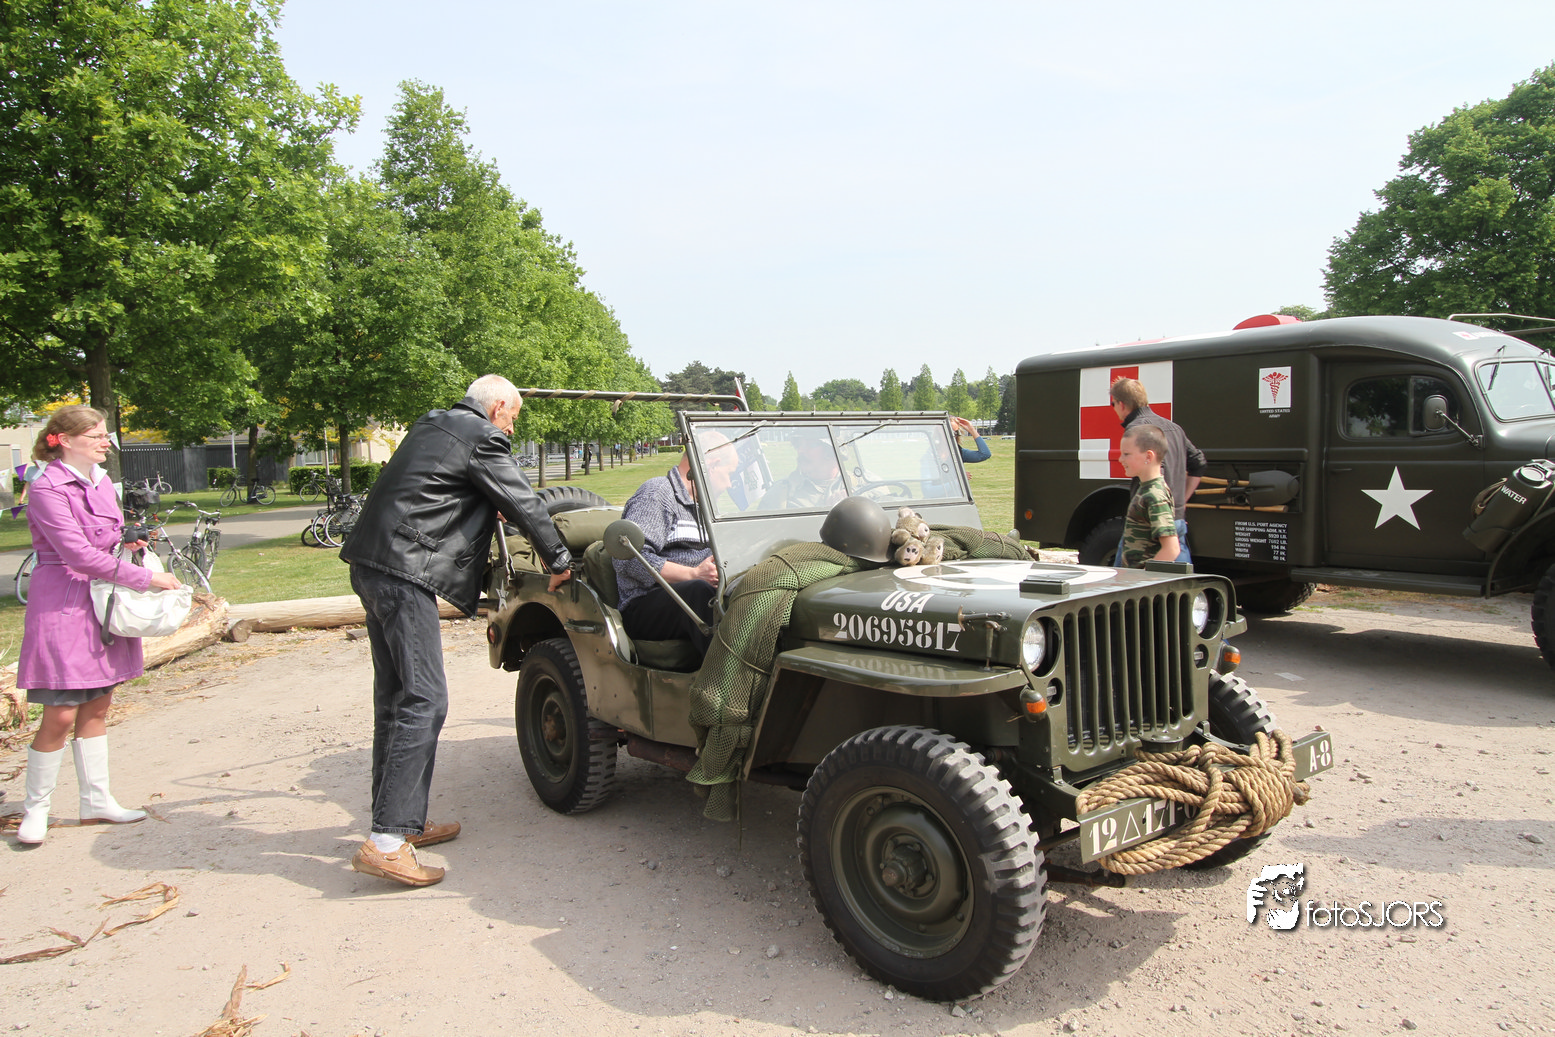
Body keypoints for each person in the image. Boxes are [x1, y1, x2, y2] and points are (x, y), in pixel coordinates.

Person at [339, 375, 574, 888]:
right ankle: (386, 843)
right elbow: (522, 499)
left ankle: (400, 823)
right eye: (513, 417)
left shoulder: (432, 425)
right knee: (425, 698)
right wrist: (557, 559)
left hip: (371, 563)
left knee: (395, 698)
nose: (512, 428)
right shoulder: (482, 436)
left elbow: (439, 492)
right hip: (402, 573)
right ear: (497, 407)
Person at [14, 406, 183, 846]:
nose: (105, 442)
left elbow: (104, 540)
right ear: (64, 440)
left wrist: (129, 538)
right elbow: (75, 554)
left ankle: (96, 801)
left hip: (103, 601)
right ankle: (37, 809)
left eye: (105, 435)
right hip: (64, 604)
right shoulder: (47, 487)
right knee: (60, 712)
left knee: (98, 705)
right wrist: (148, 579)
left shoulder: (102, 480)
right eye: (95, 435)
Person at [614, 432, 737, 656]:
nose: (729, 484)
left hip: (689, 598)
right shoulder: (657, 494)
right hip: (644, 603)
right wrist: (692, 574)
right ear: (712, 464)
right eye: (729, 474)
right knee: (699, 592)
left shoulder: (704, 505)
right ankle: (727, 675)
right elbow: (628, 559)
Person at [1109, 377, 1205, 564]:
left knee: (1125, 575)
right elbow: (1198, 463)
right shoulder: (1174, 428)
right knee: (1179, 578)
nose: (1122, 458)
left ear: (1121, 404)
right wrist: (1179, 502)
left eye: (1126, 454)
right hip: (1177, 519)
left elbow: (1155, 473)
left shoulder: (1137, 432)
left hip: (1146, 526)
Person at [1117, 425, 1180, 567]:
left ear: (1148, 456)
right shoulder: (1146, 489)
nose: (1120, 459)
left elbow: (1171, 549)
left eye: (1126, 454)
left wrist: (1145, 577)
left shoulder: (1154, 495)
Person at [759, 428, 845, 510]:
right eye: (799, 445)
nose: (800, 450)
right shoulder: (779, 494)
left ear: (830, 451)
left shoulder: (851, 485)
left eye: (810, 445)